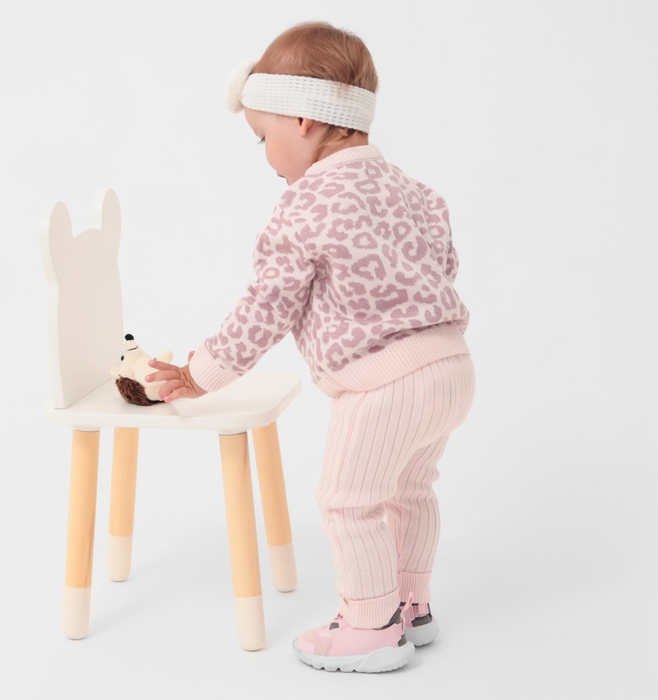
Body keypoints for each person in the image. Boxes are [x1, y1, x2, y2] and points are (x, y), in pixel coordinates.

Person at [147, 21, 475, 673]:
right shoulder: (414, 190)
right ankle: (413, 605)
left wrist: (204, 370)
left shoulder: (305, 207)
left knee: (347, 502)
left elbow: (269, 304)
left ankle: (371, 627)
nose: (266, 156)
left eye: (262, 136)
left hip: (384, 383)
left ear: (302, 120)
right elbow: (445, 264)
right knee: (412, 488)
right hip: (451, 366)